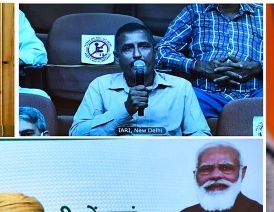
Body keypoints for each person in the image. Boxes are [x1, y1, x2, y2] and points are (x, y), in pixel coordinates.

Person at [70, 23, 210, 137]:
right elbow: (76, 135)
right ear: (117, 57)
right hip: (115, 162)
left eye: (143, 46)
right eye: (128, 48)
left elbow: (200, 134)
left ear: (155, 53)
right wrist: (125, 110)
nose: (137, 54)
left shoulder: (181, 87)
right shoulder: (100, 86)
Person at [156, 4, 263, 118]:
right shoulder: (194, 11)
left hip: (255, 94)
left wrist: (258, 67)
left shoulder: (263, 14)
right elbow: (163, 50)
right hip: (204, 95)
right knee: (172, 101)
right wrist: (196, 65)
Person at [165, 141, 262, 212]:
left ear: (242, 172)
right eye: (206, 169)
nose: (215, 175)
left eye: (226, 168)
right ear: (195, 175)